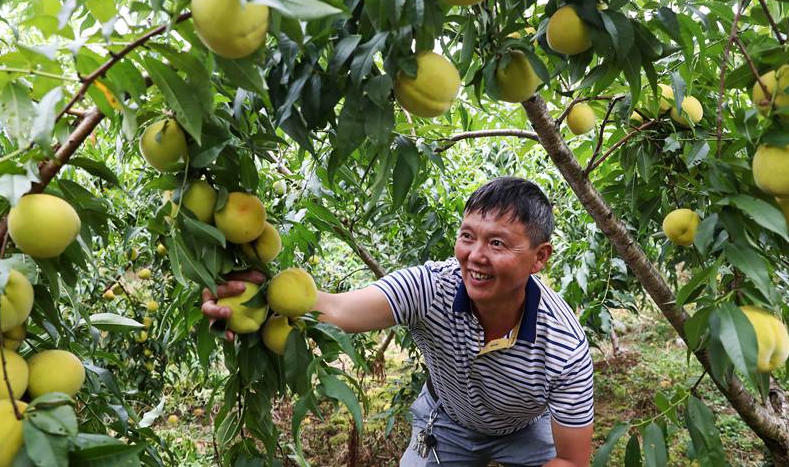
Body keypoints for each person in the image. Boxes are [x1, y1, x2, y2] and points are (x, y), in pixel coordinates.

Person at [202, 177, 593, 467]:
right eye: (467, 236)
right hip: (448, 422)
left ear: (540, 257)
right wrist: (262, 294)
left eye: (497, 243)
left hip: (525, 429)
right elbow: (338, 310)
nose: (475, 256)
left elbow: (572, 461)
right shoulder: (430, 287)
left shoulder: (563, 347)